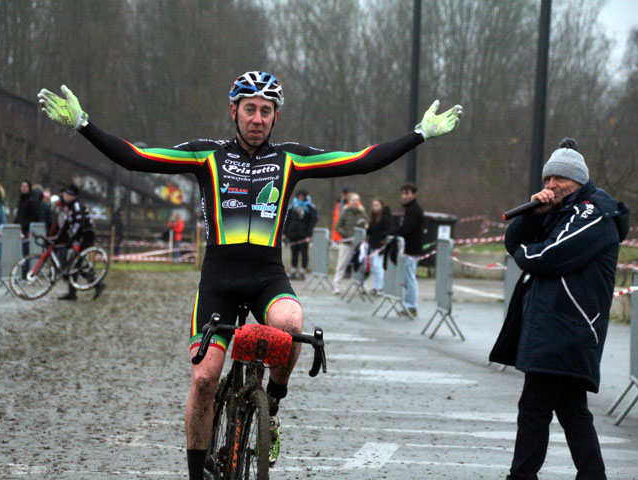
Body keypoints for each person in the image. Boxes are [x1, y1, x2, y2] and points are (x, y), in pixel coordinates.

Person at [37, 72, 462, 480]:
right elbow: (136, 158)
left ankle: (272, 403)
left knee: (292, 326)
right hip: (218, 282)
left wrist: (419, 134)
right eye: (249, 110)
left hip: (267, 277)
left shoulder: (292, 158)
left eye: (265, 111)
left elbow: (363, 161)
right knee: (204, 379)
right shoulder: (207, 155)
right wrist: (83, 124)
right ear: (233, 111)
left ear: (276, 116)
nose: (257, 119)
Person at [491, 138, 629, 480]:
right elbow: (514, 241)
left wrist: (525, 253)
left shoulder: (592, 211)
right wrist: (533, 216)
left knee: (536, 408)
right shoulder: (559, 211)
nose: (552, 185)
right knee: (570, 411)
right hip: (554, 328)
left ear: (579, 180)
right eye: (547, 179)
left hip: (567, 328)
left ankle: (522, 476)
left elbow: (547, 256)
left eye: (560, 179)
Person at [54, 184, 106, 301]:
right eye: (64, 194)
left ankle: (96, 285)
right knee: (75, 264)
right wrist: (57, 239)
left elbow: (79, 224)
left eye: (67, 194)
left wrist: (71, 239)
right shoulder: (70, 207)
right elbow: (67, 225)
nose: (64, 196)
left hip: (85, 237)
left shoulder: (77, 206)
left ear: (73, 196)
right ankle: (76, 291)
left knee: (75, 263)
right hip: (79, 237)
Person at [391, 183, 424, 317]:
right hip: (409, 248)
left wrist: (393, 232)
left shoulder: (414, 210)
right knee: (407, 277)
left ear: (414, 194)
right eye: (403, 193)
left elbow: (407, 228)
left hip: (412, 249)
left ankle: (411, 306)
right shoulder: (410, 209)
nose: (404, 196)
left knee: (409, 278)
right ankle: (408, 304)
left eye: (407, 193)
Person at [332, 192, 367, 294]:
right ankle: (336, 284)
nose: (355, 202)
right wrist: (346, 235)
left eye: (357, 200)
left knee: (360, 265)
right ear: (349, 201)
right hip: (347, 242)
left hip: (359, 244)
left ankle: (361, 285)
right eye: (353, 200)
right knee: (341, 264)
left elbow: (366, 224)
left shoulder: (362, 213)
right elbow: (337, 226)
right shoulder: (345, 212)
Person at [283, 189, 318, 280]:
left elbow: (312, 222)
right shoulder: (292, 206)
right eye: (300, 195)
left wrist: (309, 235)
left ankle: (302, 271)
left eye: (303, 196)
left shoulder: (310, 208)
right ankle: (293, 270)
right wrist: (285, 233)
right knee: (294, 252)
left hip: (304, 234)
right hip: (293, 233)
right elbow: (288, 220)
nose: (301, 197)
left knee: (304, 253)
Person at [366, 198, 391, 295]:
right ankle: (376, 286)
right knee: (373, 267)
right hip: (373, 243)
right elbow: (371, 231)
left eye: (377, 205)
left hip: (380, 245)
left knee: (378, 266)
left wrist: (383, 239)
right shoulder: (373, 218)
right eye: (373, 205)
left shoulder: (385, 218)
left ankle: (380, 287)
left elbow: (387, 230)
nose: (375, 208)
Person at [14, 180, 40, 265]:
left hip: (27, 230)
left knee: (27, 252)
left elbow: (34, 215)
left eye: (26, 187)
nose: (24, 188)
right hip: (20, 229)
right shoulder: (20, 199)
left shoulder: (32, 200)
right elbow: (19, 214)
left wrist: (24, 226)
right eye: (22, 186)